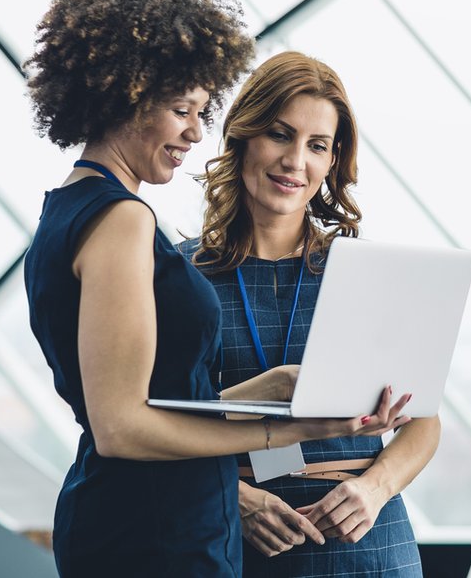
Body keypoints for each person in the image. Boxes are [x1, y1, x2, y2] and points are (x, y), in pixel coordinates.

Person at [23, 0, 409, 577]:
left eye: (202, 110)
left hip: (158, 521)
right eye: (182, 108)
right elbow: (123, 426)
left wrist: (271, 391)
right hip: (159, 530)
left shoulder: (71, 208)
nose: (193, 131)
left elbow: (151, 404)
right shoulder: (122, 221)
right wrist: (280, 431)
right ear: (129, 93)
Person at [180, 50, 438, 576]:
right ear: (243, 136)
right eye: (280, 134)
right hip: (235, 543)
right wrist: (234, 495)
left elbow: (423, 423)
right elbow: (156, 424)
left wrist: (374, 488)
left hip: (369, 546)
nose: (295, 161)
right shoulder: (179, 277)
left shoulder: (365, 273)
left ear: (331, 161)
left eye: (316, 145)